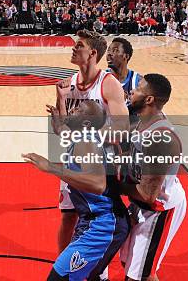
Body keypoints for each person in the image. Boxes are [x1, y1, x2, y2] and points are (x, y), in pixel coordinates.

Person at [23, 99, 130, 281]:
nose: (73, 108)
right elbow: (64, 131)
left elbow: (98, 184)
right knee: (90, 276)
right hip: (95, 221)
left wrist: (51, 167)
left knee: (59, 277)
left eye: (78, 109)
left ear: (86, 123)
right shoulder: (84, 136)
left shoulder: (86, 142)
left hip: (103, 224)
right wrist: (57, 122)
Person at [54, 30, 130, 281]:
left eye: (79, 46)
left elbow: (121, 128)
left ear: (93, 53)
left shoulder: (108, 83)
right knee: (68, 217)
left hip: (99, 164)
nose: (73, 49)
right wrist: (61, 100)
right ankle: (67, 262)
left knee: (96, 216)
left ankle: (98, 271)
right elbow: (62, 128)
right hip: (74, 158)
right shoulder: (70, 82)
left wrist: (89, 135)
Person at [119, 74, 186, 281]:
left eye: (138, 89)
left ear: (149, 99)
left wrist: (109, 185)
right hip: (141, 201)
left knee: (138, 275)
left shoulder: (161, 138)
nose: (132, 91)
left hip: (158, 208)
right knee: (128, 262)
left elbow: (148, 194)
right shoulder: (141, 121)